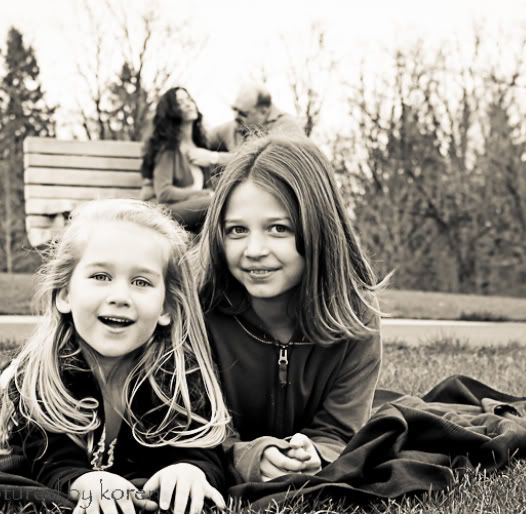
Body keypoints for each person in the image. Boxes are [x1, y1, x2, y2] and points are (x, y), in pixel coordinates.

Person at [0, 199, 231, 514]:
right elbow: (48, 461)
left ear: (167, 308)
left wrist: (190, 470)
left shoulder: (180, 374)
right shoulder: (39, 377)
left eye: (141, 282)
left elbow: (203, 449)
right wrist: (85, 481)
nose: (119, 297)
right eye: (101, 276)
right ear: (64, 294)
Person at [194, 135, 383, 483]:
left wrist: (316, 454)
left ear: (318, 228)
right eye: (237, 230)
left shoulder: (356, 318)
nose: (254, 250)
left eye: (278, 229)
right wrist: (250, 457)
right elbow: (192, 427)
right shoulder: (199, 311)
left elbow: (340, 429)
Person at [140, 87, 231, 231]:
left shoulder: (200, 146)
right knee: (216, 203)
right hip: (168, 212)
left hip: (196, 210)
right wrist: (202, 194)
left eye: (189, 99)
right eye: (180, 102)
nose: (188, 104)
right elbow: (164, 193)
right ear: (171, 111)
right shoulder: (168, 149)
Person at [210, 83, 305, 152]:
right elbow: (205, 137)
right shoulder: (233, 126)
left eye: (243, 113)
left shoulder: (288, 128)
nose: (236, 117)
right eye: (235, 110)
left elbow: (264, 161)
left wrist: (214, 158)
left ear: (263, 112)